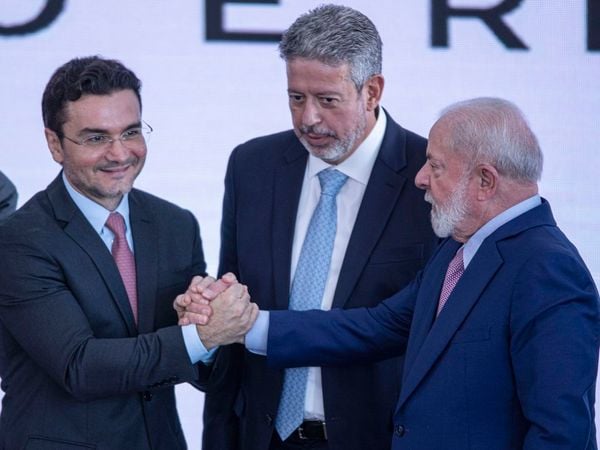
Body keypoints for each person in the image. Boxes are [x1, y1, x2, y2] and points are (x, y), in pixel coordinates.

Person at [182, 97, 600, 448]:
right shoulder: (458, 250)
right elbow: (377, 326)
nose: (420, 178)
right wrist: (245, 325)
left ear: (485, 181)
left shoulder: (548, 269)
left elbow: (561, 433)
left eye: (435, 166)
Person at [201, 4, 438, 450]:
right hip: (263, 437)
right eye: (296, 98)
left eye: (327, 100)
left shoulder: (428, 177)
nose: (307, 118)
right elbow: (233, 317)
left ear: (372, 91)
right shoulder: (252, 166)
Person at [0, 56, 256, 450]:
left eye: (131, 132)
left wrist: (205, 320)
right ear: (54, 144)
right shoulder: (20, 239)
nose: (120, 154)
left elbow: (204, 370)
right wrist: (201, 336)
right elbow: (80, 366)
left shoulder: (175, 225)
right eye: (96, 138)